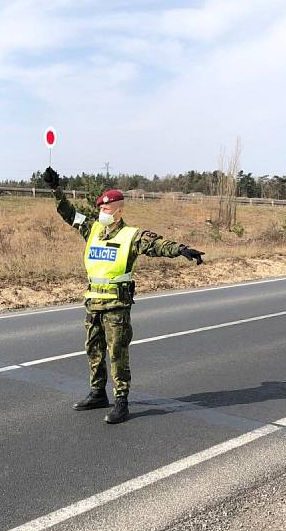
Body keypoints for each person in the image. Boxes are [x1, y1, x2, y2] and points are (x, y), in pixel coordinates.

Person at [43, 167, 204, 424]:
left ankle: (121, 401)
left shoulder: (131, 235)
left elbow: (157, 244)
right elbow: (68, 213)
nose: (101, 213)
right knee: (93, 349)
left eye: (106, 210)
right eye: (100, 209)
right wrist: (55, 189)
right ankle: (97, 393)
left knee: (117, 352)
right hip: (93, 303)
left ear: (118, 211)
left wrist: (181, 250)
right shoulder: (92, 229)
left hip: (117, 305)